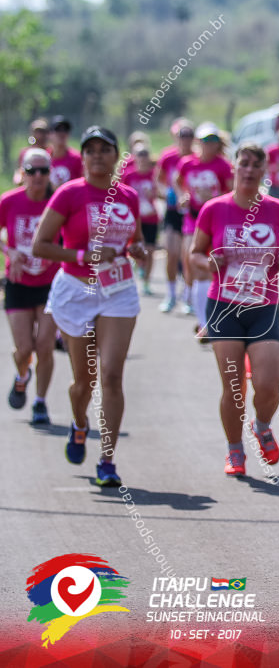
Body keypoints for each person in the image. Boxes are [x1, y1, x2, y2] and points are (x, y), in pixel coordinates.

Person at [31, 126, 146, 488]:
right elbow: (41, 245)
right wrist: (85, 254)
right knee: (85, 381)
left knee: (112, 375)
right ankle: (80, 423)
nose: (97, 155)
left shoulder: (128, 196)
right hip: (76, 289)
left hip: (118, 289)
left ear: (115, 156)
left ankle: (107, 461)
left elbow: (136, 242)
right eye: (91, 150)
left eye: (105, 149)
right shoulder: (69, 194)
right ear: (83, 157)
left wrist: (138, 251)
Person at [190, 143, 279, 476]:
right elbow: (194, 254)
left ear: (264, 170)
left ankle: (262, 426)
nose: (249, 170)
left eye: (256, 165)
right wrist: (209, 261)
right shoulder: (214, 209)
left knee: (269, 384)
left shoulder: (278, 209)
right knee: (233, 386)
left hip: (263, 306)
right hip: (224, 306)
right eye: (244, 164)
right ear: (234, 168)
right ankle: (235, 451)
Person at [1, 149, 59, 425]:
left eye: (43, 171)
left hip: (50, 284)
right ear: (22, 173)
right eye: (31, 170)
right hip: (18, 282)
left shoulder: (57, 203)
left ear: (49, 174)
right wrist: (9, 251)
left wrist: (57, 254)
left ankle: (40, 402)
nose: (37, 176)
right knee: (24, 349)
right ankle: (22, 375)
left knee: (45, 345)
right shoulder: (9, 201)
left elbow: (73, 236)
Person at [177, 122, 233, 334]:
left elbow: (231, 192)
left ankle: (214, 319)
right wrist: (182, 196)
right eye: (205, 140)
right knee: (195, 264)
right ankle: (203, 324)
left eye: (212, 141)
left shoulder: (223, 165)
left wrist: (216, 201)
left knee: (215, 270)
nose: (208, 145)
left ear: (218, 143)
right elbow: (178, 182)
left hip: (217, 221)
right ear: (198, 142)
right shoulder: (187, 163)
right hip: (193, 219)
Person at [155, 119, 195, 313]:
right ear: (176, 137)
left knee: (186, 257)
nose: (185, 139)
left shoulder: (196, 158)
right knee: (171, 253)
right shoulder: (168, 156)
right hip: (172, 211)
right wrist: (166, 193)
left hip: (192, 214)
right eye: (182, 135)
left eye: (189, 135)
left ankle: (187, 296)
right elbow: (158, 181)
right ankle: (171, 295)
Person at [122, 145, 160, 295]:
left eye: (145, 154)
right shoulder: (128, 176)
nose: (143, 158)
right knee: (135, 249)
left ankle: (146, 282)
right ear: (134, 157)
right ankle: (138, 268)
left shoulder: (154, 175)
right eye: (140, 154)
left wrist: (154, 193)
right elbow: (122, 196)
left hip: (151, 218)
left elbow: (160, 193)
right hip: (134, 219)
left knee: (150, 251)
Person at [48, 116, 83, 189]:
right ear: (49, 134)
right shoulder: (43, 158)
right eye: (58, 130)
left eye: (65, 130)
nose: (62, 133)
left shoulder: (77, 158)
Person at [14, 119, 51, 185]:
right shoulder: (25, 153)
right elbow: (19, 171)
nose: (39, 135)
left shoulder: (51, 152)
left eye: (42, 132)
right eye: (37, 131)